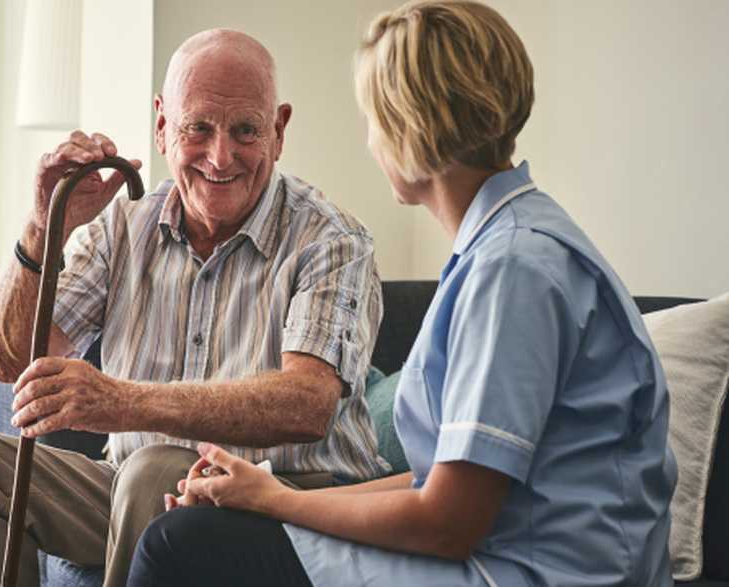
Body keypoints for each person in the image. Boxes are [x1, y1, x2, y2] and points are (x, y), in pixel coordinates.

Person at [128, 2, 677, 586]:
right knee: (204, 532)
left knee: (179, 545)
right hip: (502, 553)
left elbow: (448, 522)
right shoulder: (507, 246)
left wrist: (276, 501)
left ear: (409, 124)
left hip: (521, 573)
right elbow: (443, 483)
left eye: (372, 118)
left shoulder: (513, 271)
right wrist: (263, 490)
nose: (369, 139)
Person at [0, 29, 388, 587]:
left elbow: (306, 405)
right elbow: (11, 362)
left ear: (279, 130)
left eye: (245, 130)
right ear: (163, 125)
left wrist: (124, 403)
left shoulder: (331, 240)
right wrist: (43, 225)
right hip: (129, 492)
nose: (221, 156)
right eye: (198, 128)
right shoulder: (123, 227)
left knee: (152, 469)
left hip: (282, 503)